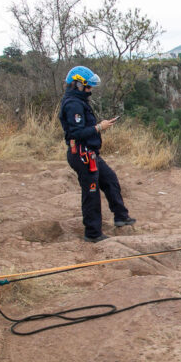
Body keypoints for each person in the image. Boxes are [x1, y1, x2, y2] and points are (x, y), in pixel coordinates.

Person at [59, 66, 135, 242]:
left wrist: (101, 126)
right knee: (91, 193)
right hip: (81, 153)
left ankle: (121, 216)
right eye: (88, 86)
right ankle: (93, 233)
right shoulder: (73, 105)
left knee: (110, 179)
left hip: (90, 153)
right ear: (78, 85)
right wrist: (100, 127)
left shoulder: (79, 101)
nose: (90, 90)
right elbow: (76, 133)